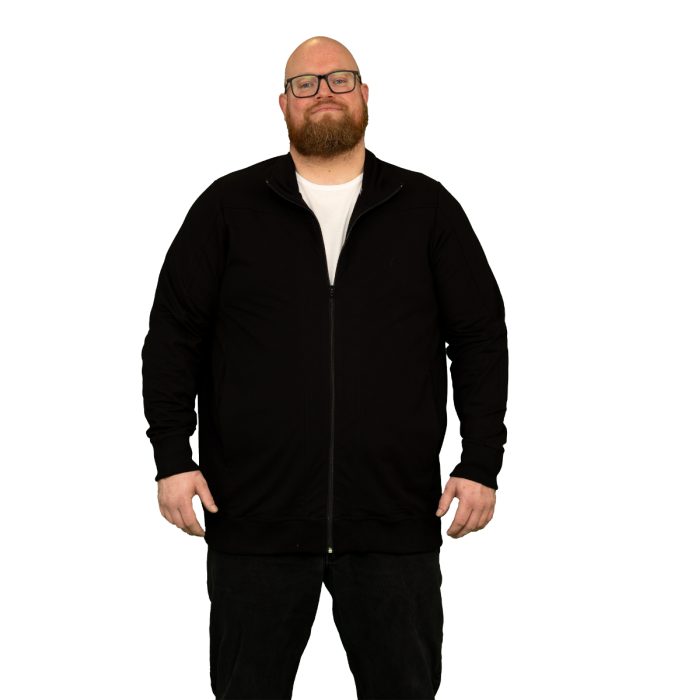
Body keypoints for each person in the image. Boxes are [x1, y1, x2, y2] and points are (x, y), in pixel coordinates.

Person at [143, 35, 508, 700]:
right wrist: (172, 456)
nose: (324, 94)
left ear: (366, 95)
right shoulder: (226, 207)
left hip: (396, 518)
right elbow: (172, 336)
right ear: (283, 104)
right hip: (253, 517)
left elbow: (480, 339)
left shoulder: (428, 208)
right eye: (304, 84)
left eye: (340, 79)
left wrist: (480, 462)